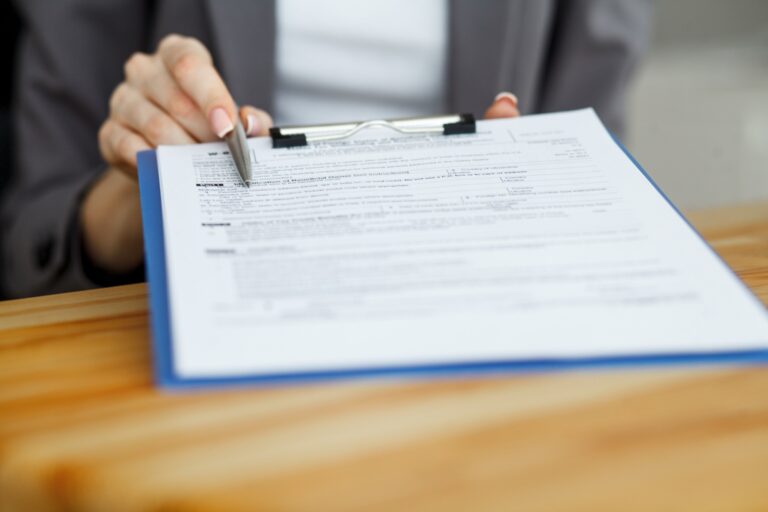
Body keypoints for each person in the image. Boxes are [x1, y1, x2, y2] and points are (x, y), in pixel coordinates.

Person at [0, 0, 652, 298]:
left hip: (482, 313)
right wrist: (143, 186)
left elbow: (597, 168)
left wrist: (545, 185)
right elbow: (29, 246)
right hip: (225, 337)